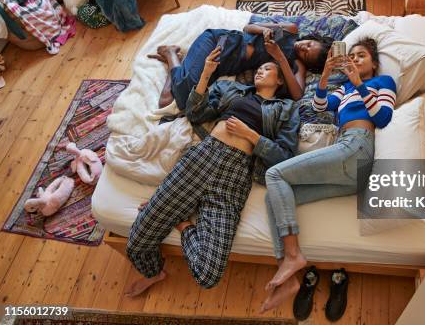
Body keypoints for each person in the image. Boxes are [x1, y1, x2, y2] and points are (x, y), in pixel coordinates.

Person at [124, 49, 300, 297]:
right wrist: (206, 74)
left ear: (280, 80)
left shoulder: (287, 108)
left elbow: (285, 157)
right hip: (201, 158)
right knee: (137, 243)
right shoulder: (233, 90)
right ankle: (154, 273)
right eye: (259, 68)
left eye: (268, 68)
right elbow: (195, 113)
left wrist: (250, 134)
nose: (260, 70)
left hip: (234, 175)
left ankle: (182, 221)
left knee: (208, 275)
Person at [260, 38, 396, 312]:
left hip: (357, 146)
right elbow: (320, 107)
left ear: (374, 63)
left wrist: (360, 84)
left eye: (362, 56)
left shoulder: (384, 83)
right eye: (353, 56)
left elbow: (382, 118)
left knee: (274, 175)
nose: (356, 60)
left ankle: (293, 256)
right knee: (273, 198)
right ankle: (286, 271)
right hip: (349, 171)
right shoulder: (344, 88)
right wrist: (325, 75)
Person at [150, 22, 333, 108]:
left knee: (172, 101)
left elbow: (297, 94)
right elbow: (247, 28)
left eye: (306, 54)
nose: (303, 48)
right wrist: (265, 30)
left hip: (222, 65)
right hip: (219, 42)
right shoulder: (291, 30)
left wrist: (280, 58)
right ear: (311, 38)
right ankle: (171, 54)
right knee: (179, 98)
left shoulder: (296, 65)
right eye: (308, 44)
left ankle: (174, 62)